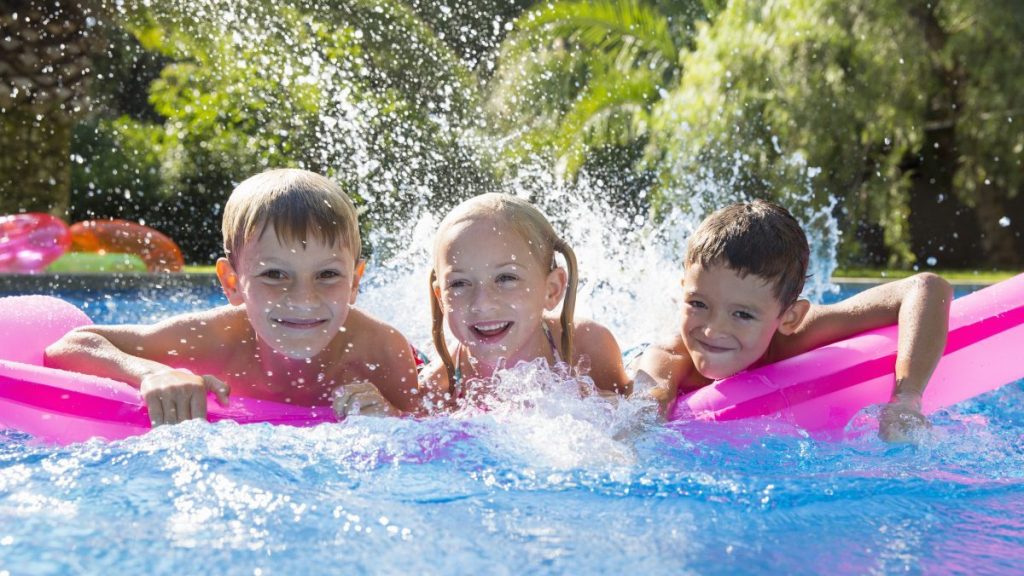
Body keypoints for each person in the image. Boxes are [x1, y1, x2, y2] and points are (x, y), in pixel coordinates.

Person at [45, 168, 421, 425]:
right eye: (274, 274)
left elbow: (430, 433)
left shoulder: (381, 351)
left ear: (355, 281)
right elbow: (72, 345)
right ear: (232, 282)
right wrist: (153, 372)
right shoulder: (212, 339)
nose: (303, 298)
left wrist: (391, 416)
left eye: (327, 275)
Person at [634, 200, 953, 442]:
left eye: (742, 314)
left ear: (790, 317)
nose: (712, 329)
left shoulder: (799, 334)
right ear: (682, 292)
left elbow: (926, 287)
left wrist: (907, 399)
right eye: (698, 304)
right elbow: (645, 407)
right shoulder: (670, 357)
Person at [420, 193, 631, 407]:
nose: (482, 303)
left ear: (552, 290)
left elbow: (637, 416)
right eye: (459, 284)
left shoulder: (586, 347)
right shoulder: (439, 388)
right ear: (441, 299)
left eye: (506, 278)